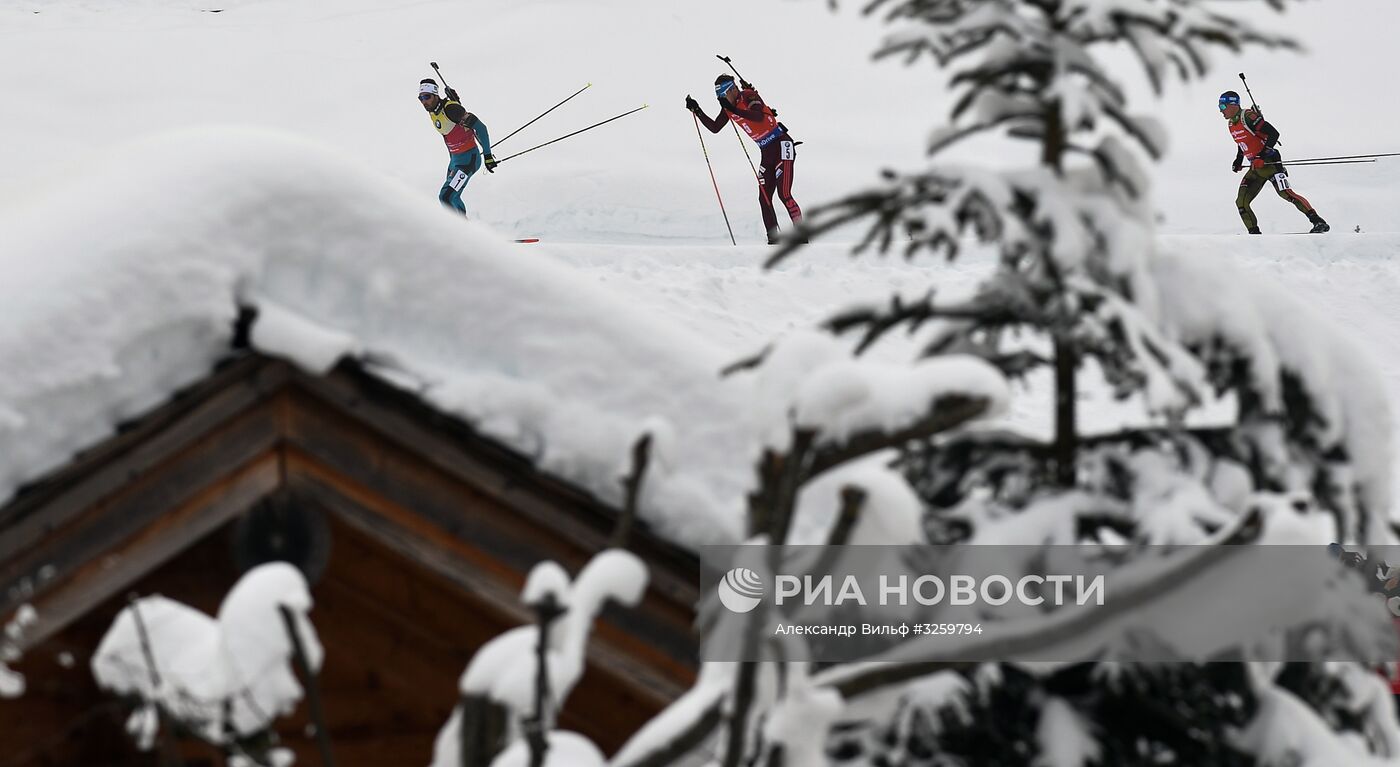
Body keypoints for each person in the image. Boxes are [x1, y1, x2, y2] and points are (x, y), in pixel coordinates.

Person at [687, 75, 803, 244]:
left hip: (781, 145)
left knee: (783, 194)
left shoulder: (748, 96)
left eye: (723, 95)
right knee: (764, 197)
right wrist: (697, 110)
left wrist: (732, 110)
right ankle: (774, 239)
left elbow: (758, 117)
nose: (721, 99)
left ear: (733, 90)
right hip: (766, 151)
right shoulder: (729, 106)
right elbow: (715, 127)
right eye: (718, 96)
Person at [1219, 90, 1328, 234]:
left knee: (1286, 193)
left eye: (1222, 107)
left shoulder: (1249, 117)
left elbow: (1274, 134)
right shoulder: (1231, 124)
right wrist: (1238, 160)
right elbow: (1241, 143)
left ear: (1233, 105)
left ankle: (1318, 222)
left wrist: (1262, 157)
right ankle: (1254, 234)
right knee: (1241, 202)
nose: (1220, 111)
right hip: (1255, 167)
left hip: (1270, 163)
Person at [419, 78, 496, 216]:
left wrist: (488, 156)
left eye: (427, 97)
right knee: (452, 196)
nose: (424, 101)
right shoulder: (433, 111)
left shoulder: (451, 109)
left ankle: (460, 232)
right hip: (455, 161)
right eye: (421, 98)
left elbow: (481, 128)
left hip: (468, 160)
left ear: (435, 94)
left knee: (446, 197)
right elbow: (452, 130)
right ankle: (463, 230)